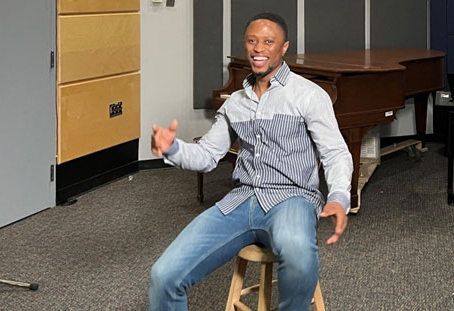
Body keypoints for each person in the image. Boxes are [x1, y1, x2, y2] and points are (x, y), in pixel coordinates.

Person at [149, 12, 353, 311]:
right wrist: (171, 148)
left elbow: (335, 152)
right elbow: (207, 155)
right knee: (164, 275)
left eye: (268, 42)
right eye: (252, 41)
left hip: (292, 199)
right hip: (240, 201)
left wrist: (338, 197)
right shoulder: (236, 103)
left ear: (283, 48)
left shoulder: (308, 95)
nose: (259, 48)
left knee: (297, 253)